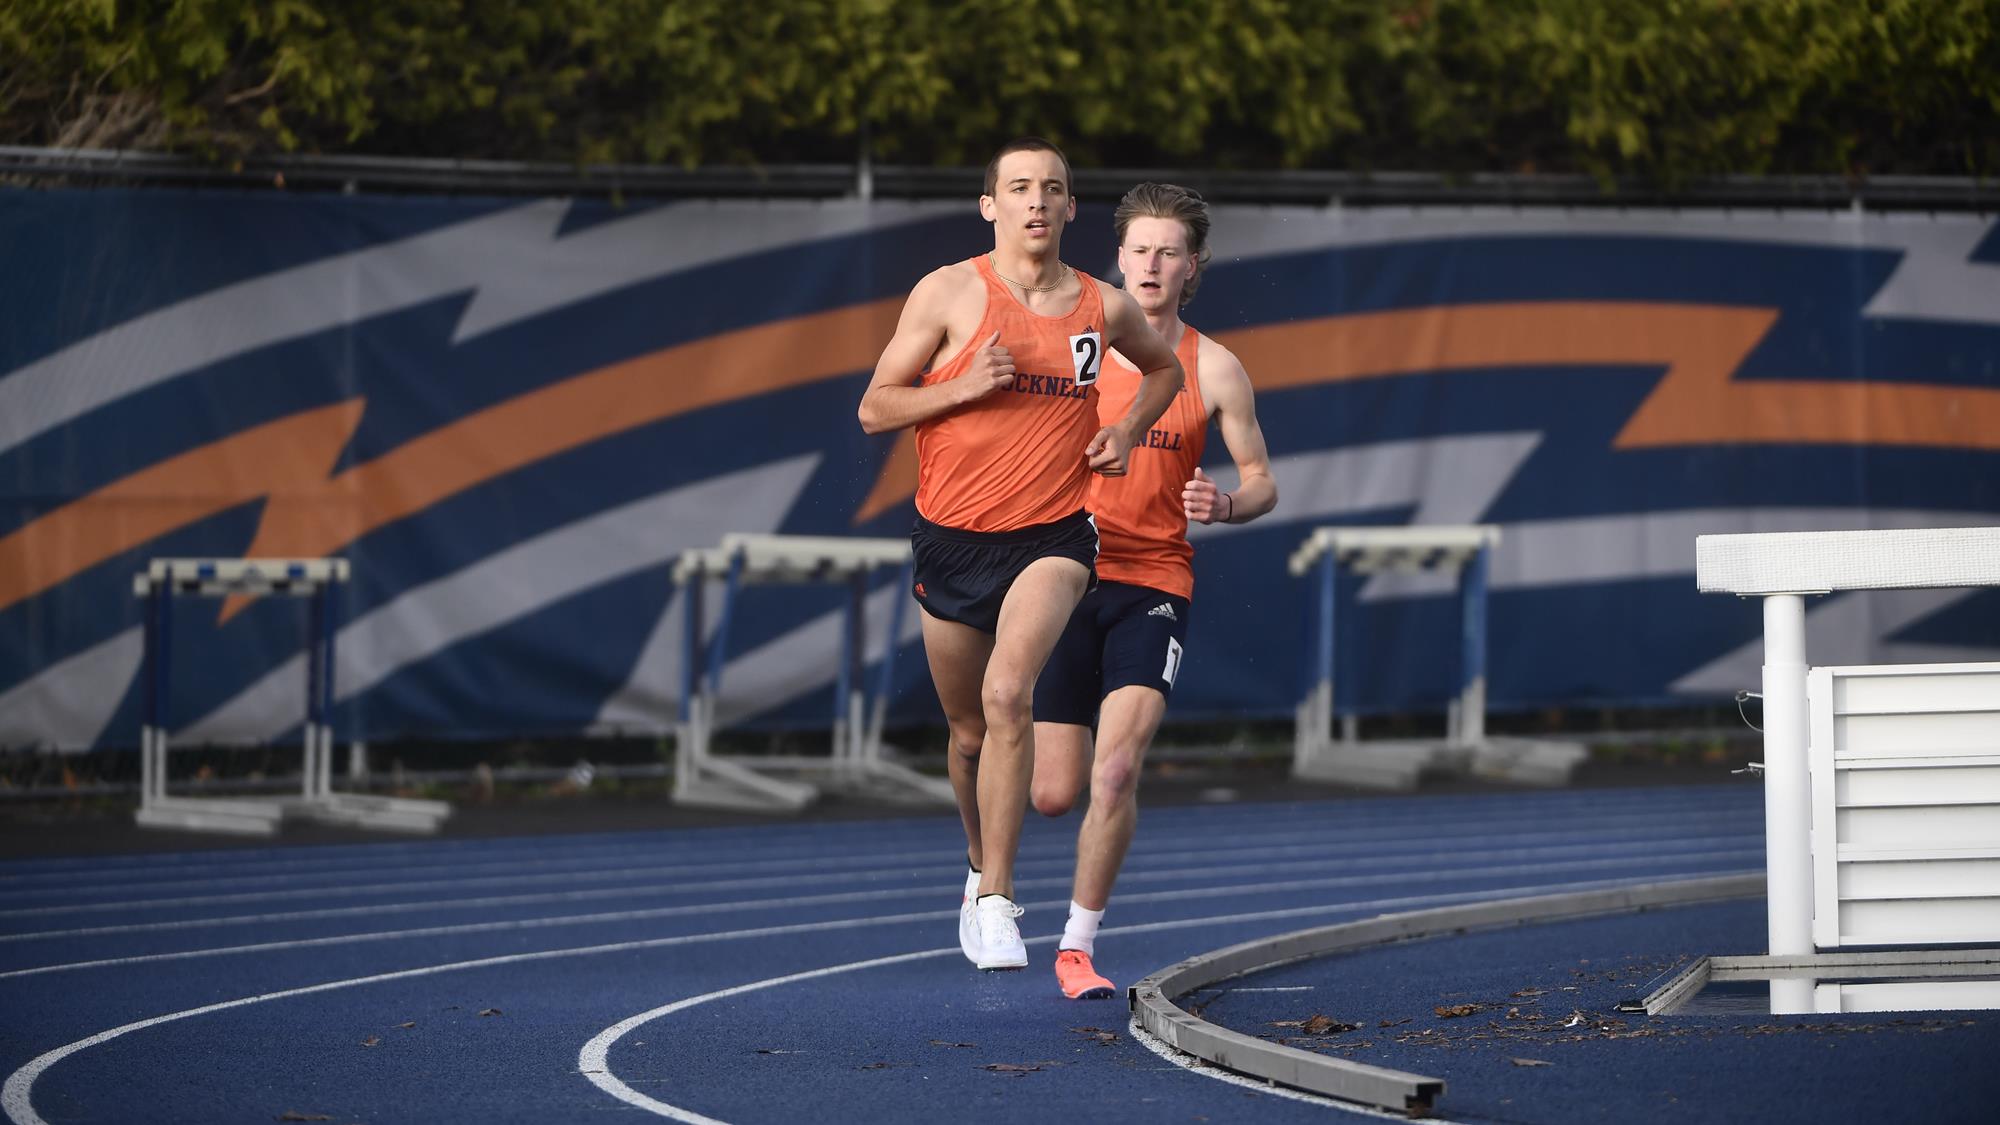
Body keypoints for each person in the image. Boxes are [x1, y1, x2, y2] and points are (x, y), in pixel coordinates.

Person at [856, 139, 1185, 972]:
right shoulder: (951, 291)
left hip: (1054, 539)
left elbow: (1165, 369)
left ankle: (1002, 901)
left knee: (1010, 693)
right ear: (990, 205)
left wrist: (1126, 428)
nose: (1036, 202)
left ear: (1072, 210)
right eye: (1019, 189)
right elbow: (874, 408)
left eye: (1053, 190)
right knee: (967, 732)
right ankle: (976, 868)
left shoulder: (1101, 307)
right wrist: (963, 386)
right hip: (953, 541)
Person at [1029, 182, 1277, 999]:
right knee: (1054, 793)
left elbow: (1262, 482)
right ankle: (984, 873)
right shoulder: (1082, 344)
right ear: (1120, 257)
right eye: (1139, 248)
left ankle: (1076, 944)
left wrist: (1229, 503)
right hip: (1068, 573)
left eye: (1168, 251)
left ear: (1190, 266)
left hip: (1155, 583)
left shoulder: (1217, 367)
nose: (1152, 263)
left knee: (1115, 773)